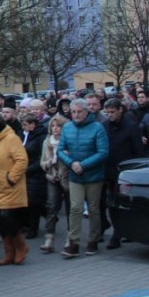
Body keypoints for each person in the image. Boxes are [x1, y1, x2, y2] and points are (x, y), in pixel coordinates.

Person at [57, 99, 109, 258]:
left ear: (87, 112)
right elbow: (60, 150)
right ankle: (73, 242)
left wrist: (83, 165)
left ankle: (93, 240)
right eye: (73, 112)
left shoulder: (97, 128)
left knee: (93, 209)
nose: (76, 115)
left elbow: (103, 152)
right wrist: (72, 163)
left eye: (79, 111)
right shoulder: (67, 128)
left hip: (93, 175)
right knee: (75, 208)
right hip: (75, 175)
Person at [0, 112, 29, 266]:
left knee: (8, 219)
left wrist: (11, 178)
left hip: (10, 187)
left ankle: (21, 247)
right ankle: (9, 252)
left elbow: (22, 160)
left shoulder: (11, 139)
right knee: (0, 223)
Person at [101, 98, 143, 249]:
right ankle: (117, 231)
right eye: (107, 112)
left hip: (125, 172)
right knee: (110, 204)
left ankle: (118, 235)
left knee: (121, 204)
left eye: (112, 112)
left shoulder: (131, 127)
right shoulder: (104, 126)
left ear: (120, 110)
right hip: (108, 171)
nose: (109, 115)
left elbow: (138, 150)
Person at [40, 115, 70, 253]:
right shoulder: (47, 142)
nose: (55, 128)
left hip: (66, 177)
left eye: (58, 126)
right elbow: (42, 163)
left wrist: (66, 155)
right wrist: (49, 162)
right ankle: (49, 238)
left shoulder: (68, 141)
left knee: (71, 208)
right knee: (51, 207)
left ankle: (71, 237)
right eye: (53, 126)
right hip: (52, 177)